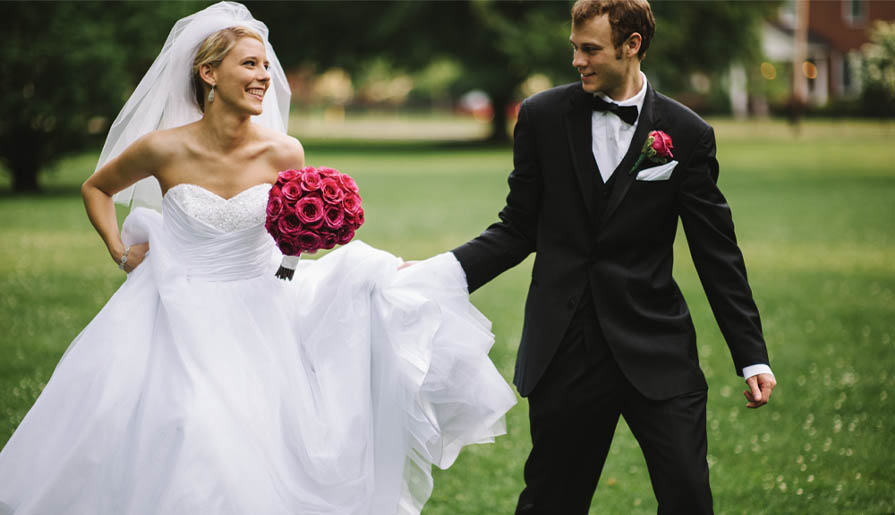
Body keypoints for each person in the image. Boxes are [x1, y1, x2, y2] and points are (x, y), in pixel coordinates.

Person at [0, 3, 515, 514]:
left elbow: (288, 241)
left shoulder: (284, 153)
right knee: (192, 426)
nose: (264, 77)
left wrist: (311, 247)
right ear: (208, 73)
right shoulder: (161, 149)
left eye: (266, 65)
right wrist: (119, 251)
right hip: (174, 310)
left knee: (263, 443)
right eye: (249, 64)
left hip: (262, 314)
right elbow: (97, 188)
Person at [449, 0, 777, 512]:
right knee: (551, 502)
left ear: (632, 46)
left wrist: (750, 353)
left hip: (657, 348)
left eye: (590, 50)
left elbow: (717, 252)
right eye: (575, 48)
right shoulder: (541, 118)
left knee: (690, 497)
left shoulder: (686, 134)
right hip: (566, 351)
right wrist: (440, 274)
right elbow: (516, 229)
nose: (577, 61)